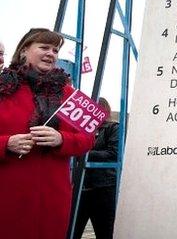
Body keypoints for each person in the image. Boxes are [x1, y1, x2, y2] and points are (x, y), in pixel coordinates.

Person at [0, 28, 94, 239]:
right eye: (44, 47)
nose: (51, 53)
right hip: (7, 196)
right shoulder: (2, 88)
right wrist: (6, 143)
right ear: (24, 50)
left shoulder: (70, 94)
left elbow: (87, 139)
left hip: (52, 199)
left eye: (55, 49)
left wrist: (62, 139)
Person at [73, 97, 119, 239]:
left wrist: (84, 154)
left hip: (103, 188)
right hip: (82, 187)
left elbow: (114, 153)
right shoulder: (82, 130)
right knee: (73, 231)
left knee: (104, 232)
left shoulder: (113, 128)